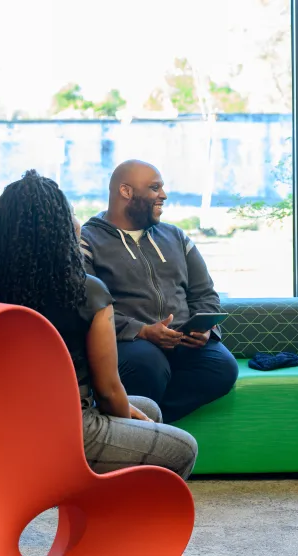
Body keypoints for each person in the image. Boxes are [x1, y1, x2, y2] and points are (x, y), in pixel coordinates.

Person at [0, 169, 197, 479]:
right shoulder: (86, 291)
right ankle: (119, 518)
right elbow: (106, 391)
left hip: (7, 424)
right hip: (68, 426)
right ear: (59, 228)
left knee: (151, 409)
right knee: (183, 447)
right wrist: (125, 421)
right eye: (72, 215)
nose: (78, 223)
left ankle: (105, 506)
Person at [79, 159, 238, 423]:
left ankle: (149, 425)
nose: (163, 195)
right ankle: (141, 431)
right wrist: (142, 331)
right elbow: (85, 306)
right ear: (126, 191)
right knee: (150, 366)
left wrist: (205, 330)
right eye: (154, 188)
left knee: (222, 367)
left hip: (182, 340)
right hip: (129, 343)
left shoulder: (176, 237)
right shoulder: (88, 241)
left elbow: (205, 294)